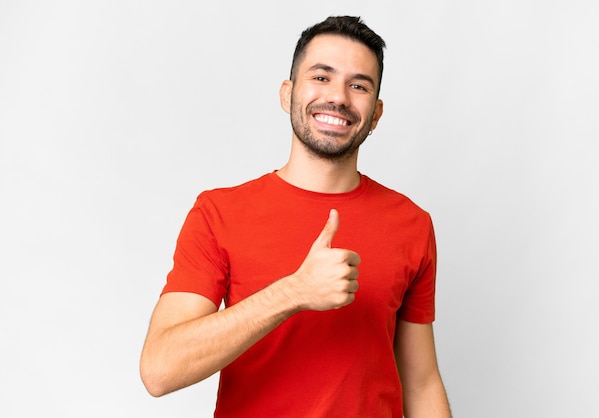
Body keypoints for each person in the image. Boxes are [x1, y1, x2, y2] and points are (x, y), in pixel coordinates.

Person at [140, 15, 452, 418]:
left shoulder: (412, 224)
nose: (339, 97)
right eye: (321, 77)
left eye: (358, 85)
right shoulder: (219, 213)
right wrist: (293, 292)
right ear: (288, 94)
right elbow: (159, 370)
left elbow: (421, 382)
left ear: (375, 113)